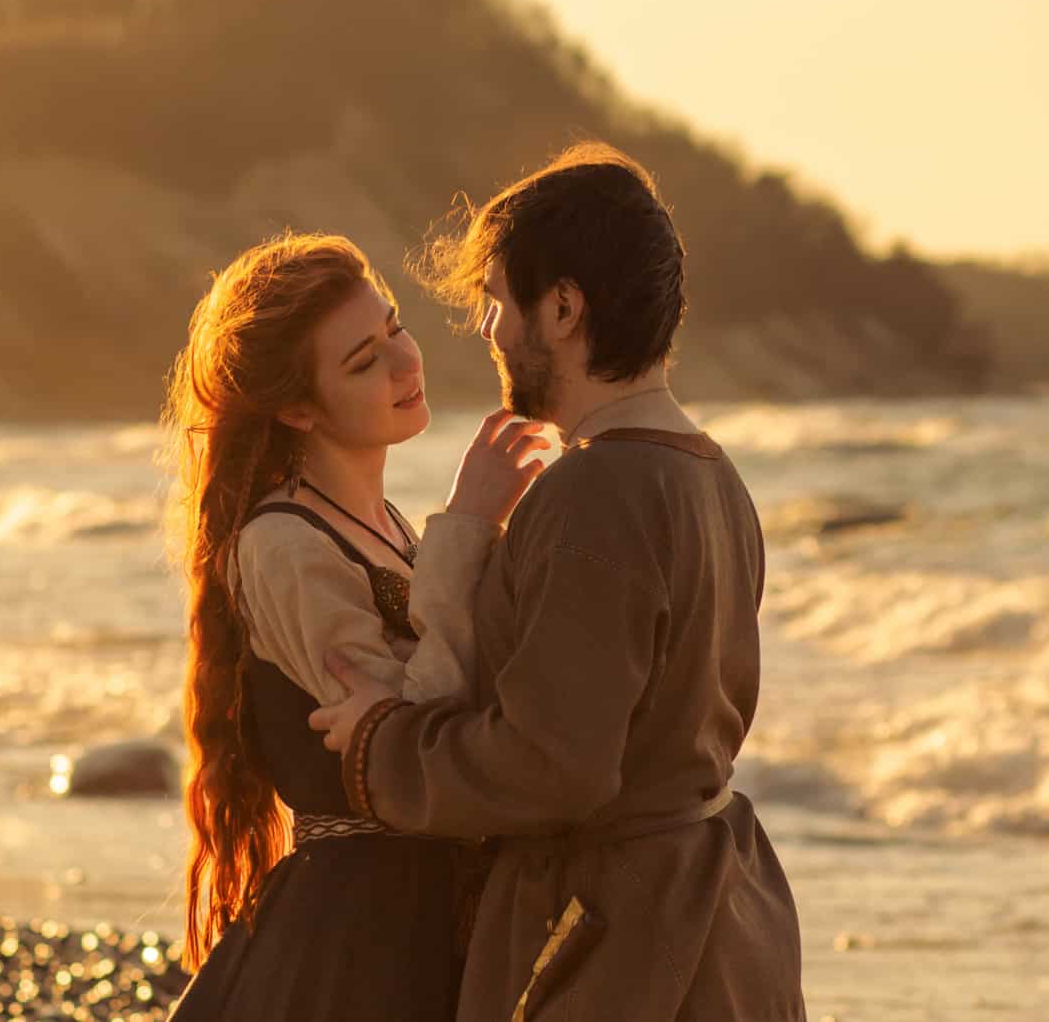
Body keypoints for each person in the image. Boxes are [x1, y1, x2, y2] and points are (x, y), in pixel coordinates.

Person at [310, 144, 808, 1021]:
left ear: (565, 307)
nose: (492, 332)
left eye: (500, 301)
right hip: (714, 921)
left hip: (617, 950)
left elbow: (551, 766)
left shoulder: (595, 491)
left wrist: (379, 745)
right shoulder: (712, 475)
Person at [160, 232, 548, 1021]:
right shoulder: (282, 545)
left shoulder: (392, 528)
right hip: (362, 933)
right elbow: (400, 738)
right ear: (296, 407)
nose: (405, 364)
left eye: (394, 327)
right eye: (363, 360)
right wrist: (471, 523)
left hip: (430, 911)